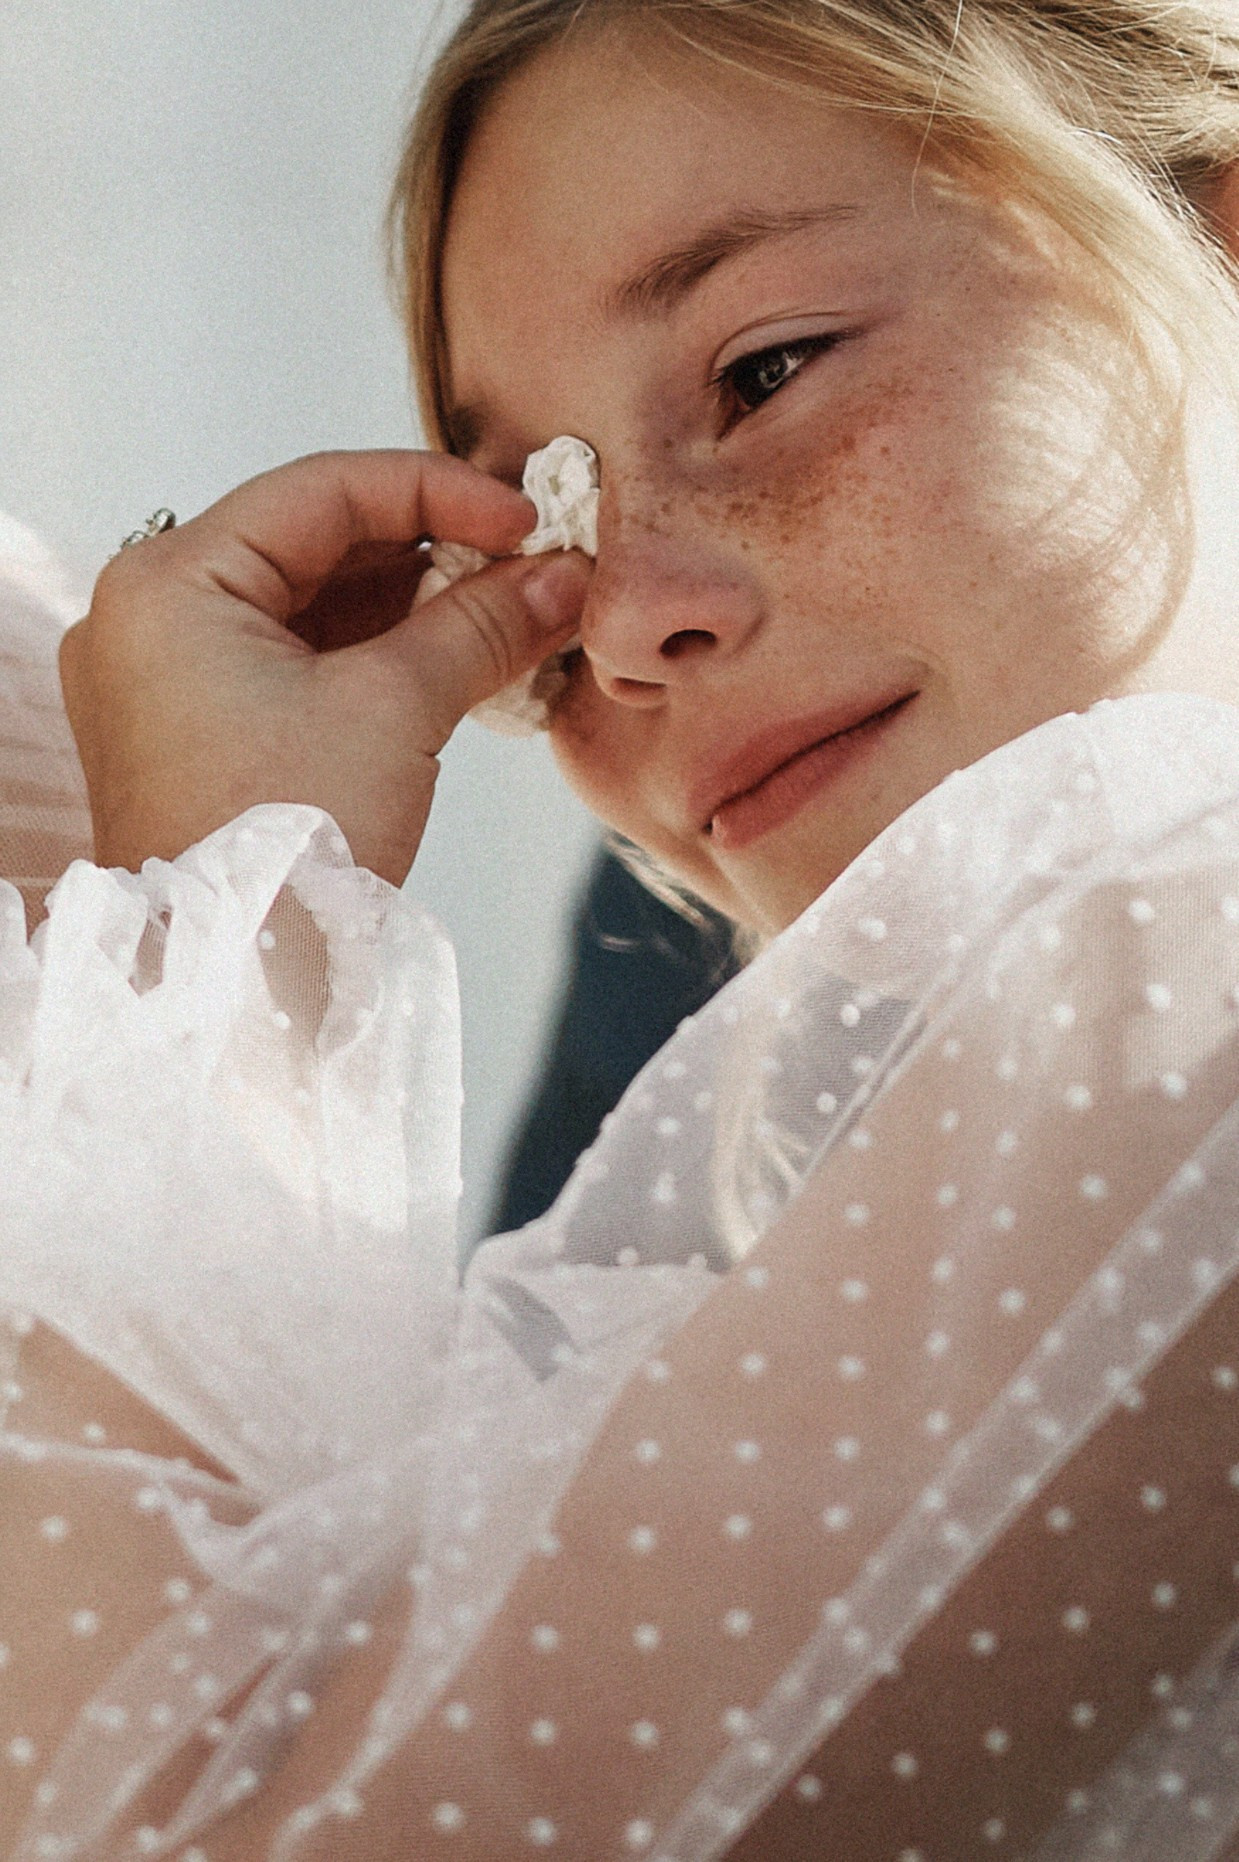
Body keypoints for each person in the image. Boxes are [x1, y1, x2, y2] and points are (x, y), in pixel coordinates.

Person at [4, 0, 1239, 1855]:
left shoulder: (1181, 958)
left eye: (764, 373)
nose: (621, 624)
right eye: (539, 533)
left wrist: (228, 916)